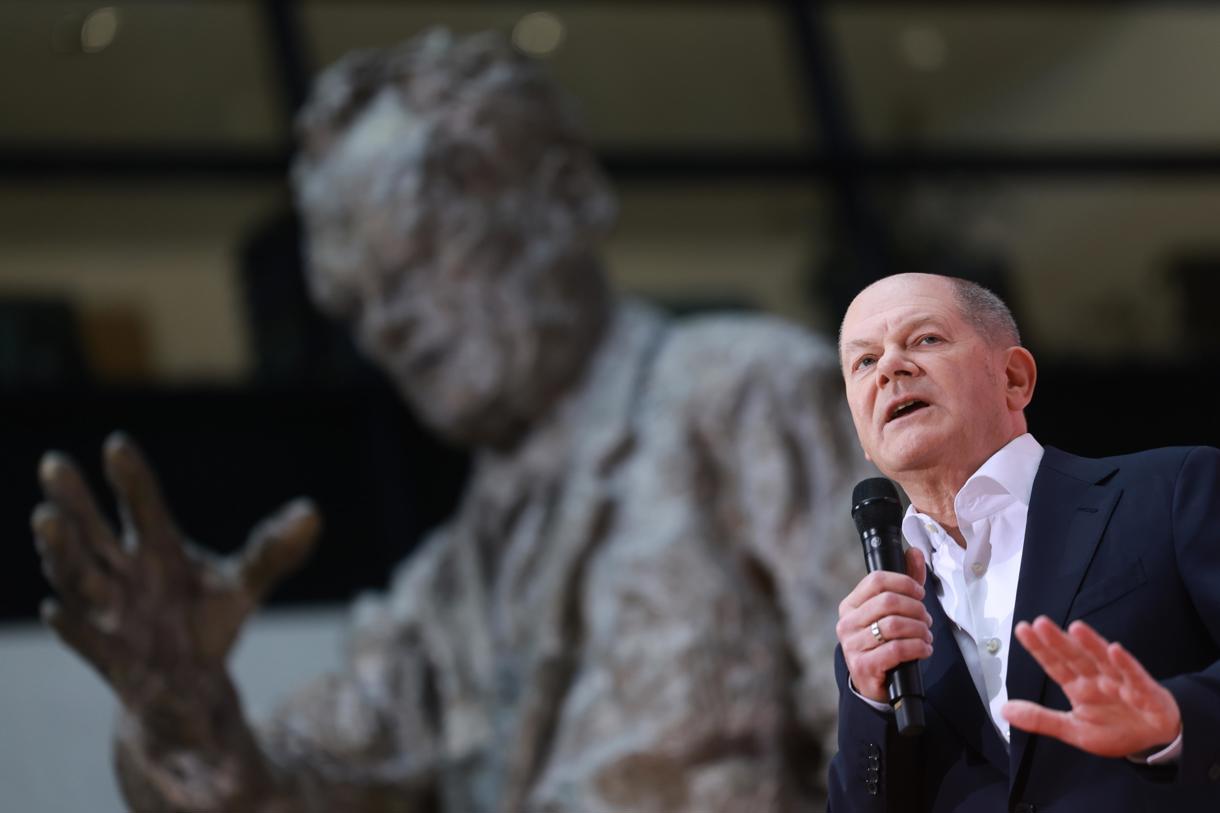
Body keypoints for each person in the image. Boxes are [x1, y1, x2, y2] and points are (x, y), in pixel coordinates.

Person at [31, 29, 872, 812]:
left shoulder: (744, 394)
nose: (388, 325)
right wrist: (190, 720)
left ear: (565, 195)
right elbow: (287, 783)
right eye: (356, 305)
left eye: (423, 255)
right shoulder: (449, 581)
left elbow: (908, 725)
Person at [827, 272, 1220, 811]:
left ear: (1014, 378)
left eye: (926, 340)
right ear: (860, 432)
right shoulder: (883, 623)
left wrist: (1177, 721)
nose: (890, 367)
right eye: (864, 362)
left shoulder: (1173, 491)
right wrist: (866, 700)